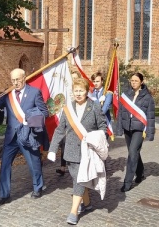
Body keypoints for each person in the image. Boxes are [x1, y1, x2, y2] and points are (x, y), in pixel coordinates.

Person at [0, 68, 49, 206]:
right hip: (11, 137)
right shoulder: (8, 93)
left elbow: (44, 112)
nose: (15, 83)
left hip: (27, 135)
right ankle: (4, 195)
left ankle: (38, 187)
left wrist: (30, 118)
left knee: (34, 163)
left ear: (24, 78)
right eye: (13, 80)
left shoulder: (34, 93)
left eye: (18, 79)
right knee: (5, 165)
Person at [47, 77, 107, 225]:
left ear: (87, 91)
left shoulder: (94, 107)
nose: (78, 93)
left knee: (80, 179)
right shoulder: (68, 109)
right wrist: (53, 149)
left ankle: (73, 212)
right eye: (76, 91)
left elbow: (103, 127)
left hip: (87, 152)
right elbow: (60, 130)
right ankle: (87, 204)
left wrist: (95, 138)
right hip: (71, 151)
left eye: (81, 90)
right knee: (77, 179)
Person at [116, 72, 155, 192]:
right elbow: (120, 113)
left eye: (136, 81)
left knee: (132, 152)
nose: (133, 83)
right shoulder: (125, 95)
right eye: (132, 81)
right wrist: (119, 128)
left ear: (141, 82)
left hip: (139, 129)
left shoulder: (148, 98)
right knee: (134, 152)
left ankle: (127, 182)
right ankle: (140, 172)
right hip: (128, 128)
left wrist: (150, 133)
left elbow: (150, 117)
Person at [56, 70, 82, 176]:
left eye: (75, 78)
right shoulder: (67, 90)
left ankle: (78, 167)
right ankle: (63, 167)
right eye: (72, 78)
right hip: (68, 122)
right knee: (64, 144)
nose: (74, 80)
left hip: (79, 124)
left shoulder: (81, 91)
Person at [90, 71, 113, 137]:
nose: (95, 83)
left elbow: (105, 108)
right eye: (94, 81)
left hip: (103, 122)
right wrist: (98, 101)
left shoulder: (107, 93)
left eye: (97, 81)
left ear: (102, 82)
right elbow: (90, 106)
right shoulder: (90, 92)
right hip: (92, 123)